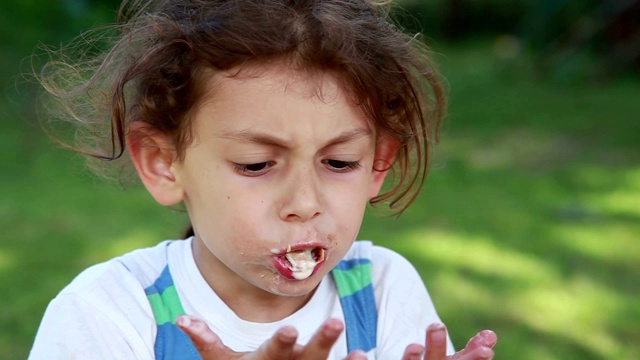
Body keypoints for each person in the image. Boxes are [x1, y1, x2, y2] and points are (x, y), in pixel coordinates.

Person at [29, 0, 498, 359]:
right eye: (256, 164)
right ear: (162, 162)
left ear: (378, 163)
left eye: (339, 163)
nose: (304, 202)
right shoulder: (107, 314)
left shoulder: (382, 293)